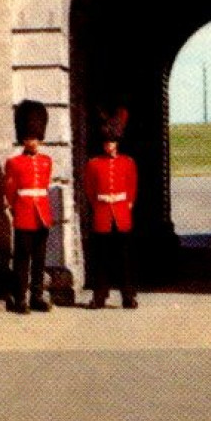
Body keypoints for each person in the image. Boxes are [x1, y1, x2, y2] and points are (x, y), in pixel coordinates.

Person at [83, 106, 139, 310]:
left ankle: (128, 295)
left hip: (121, 214)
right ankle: (100, 296)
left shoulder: (128, 163)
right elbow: (89, 189)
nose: (109, 146)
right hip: (103, 213)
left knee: (124, 259)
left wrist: (126, 205)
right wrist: (100, 205)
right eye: (106, 142)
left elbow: (132, 187)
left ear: (117, 143)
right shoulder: (93, 164)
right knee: (101, 259)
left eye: (112, 142)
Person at [3, 100, 54, 314]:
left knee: (40, 258)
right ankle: (20, 297)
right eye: (27, 138)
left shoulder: (46, 161)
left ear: (39, 138)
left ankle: (37, 295)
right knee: (22, 259)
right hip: (24, 213)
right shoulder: (14, 163)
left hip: (42, 213)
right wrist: (16, 208)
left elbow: (45, 186)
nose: (31, 142)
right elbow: (10, 190)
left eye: (34, 137)